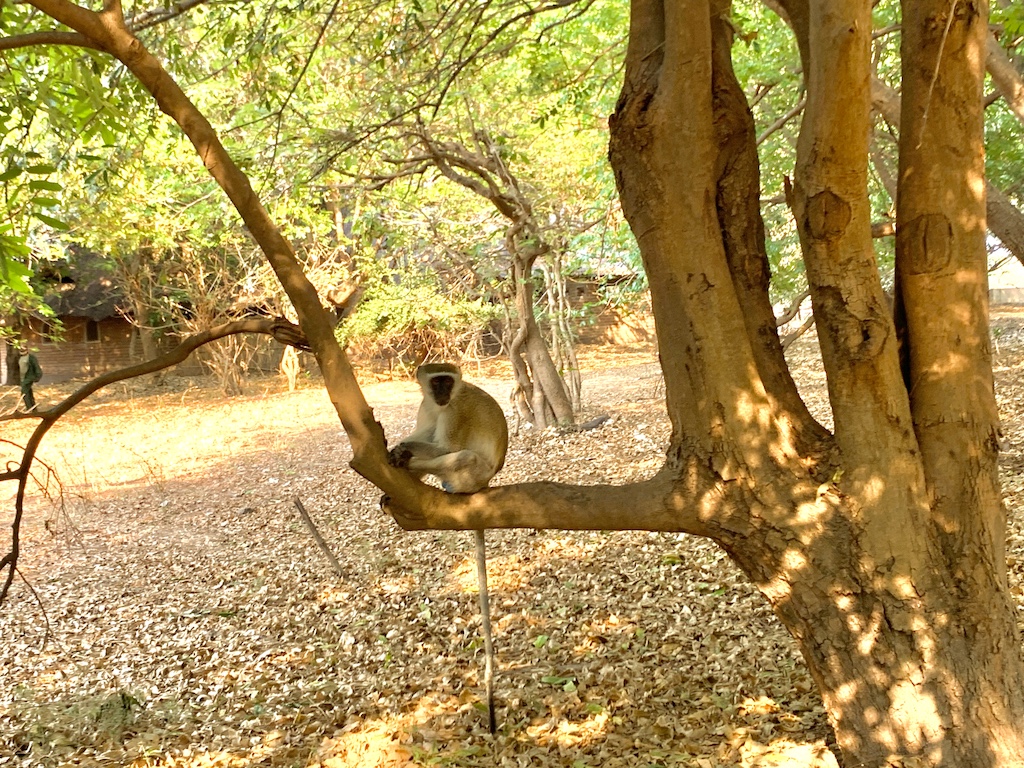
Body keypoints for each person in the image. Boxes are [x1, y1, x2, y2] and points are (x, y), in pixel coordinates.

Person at [18, 347, 42, 412]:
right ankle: (34, 410)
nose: (22, 352)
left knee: (24, 393)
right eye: (21, 351)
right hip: (22, 378)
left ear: (27, 350)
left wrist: (37, 377)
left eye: (23, 351)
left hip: (29, 377)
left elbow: (37, 367)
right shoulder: (19, 357)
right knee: (29, 393)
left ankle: (29, 409)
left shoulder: (31, 358)